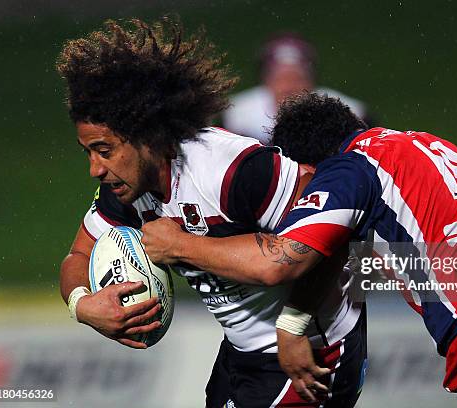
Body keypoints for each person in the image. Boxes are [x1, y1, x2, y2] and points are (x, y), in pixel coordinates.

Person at [143, 92, 457, 407]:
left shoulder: (348, 169)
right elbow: (374, 252)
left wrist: (180, 244)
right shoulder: (424, 142)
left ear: (308, 166)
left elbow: (285, 257)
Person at [57, 20, 366, 407]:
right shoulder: (124, 187)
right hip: (242, 354)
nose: (95, 169)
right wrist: (83, 306)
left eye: (104, 150)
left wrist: (182, 247)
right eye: (88, 152)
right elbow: (78, 255)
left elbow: (333, 232)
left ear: (146, 136)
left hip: (311, 347)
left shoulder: (230, 170)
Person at [221, 32, 371, 145]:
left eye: (297, 79)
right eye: (280, 79)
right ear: (266, 81)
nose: (288, 87)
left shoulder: (348, 114)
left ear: (312, 81)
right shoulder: (237, 116)